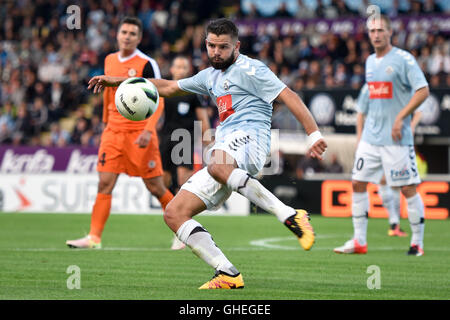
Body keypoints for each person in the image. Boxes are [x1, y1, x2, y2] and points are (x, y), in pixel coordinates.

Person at [88, 18, 327, 289]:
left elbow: (289, 95)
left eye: (222, 47)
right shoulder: (209, 76)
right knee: (174, 213)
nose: (216, 52)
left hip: (252, 138)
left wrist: (314, 134)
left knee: (216, 162)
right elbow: (166, 87)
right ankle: (227, 273)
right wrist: (118, 81)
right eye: (211, 46)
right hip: (227, 147)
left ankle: (289, 214)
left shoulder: (251, 69)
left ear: (236, 46)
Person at [66, 17, 174, 249]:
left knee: (156, 187)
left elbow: (159, 99)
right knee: (104, 183)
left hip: (139, 133)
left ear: (139, 38)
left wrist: (148, 130)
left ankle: (184, 229)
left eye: (132, 33)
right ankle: (94, 238)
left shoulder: (147, 63)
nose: (127, 36)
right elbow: (108, 94)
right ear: (117, 34)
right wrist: (106, 125)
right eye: (123, 31)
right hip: (113, 131)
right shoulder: (109, 59)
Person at [334, 15, 429, 256]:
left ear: (389, 32)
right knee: (357, 183)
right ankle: (359, 241)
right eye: (372, 30)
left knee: (408, 189)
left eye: (380, 30)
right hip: (370, 139)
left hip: (396, 140)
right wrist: (360, 139)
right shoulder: (369, 62)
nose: (376, 34)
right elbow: (370, 104)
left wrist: (401, 118)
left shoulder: (403, 59)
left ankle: (417, 243)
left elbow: (423, 91)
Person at [355, 84, 425, 237]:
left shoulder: (403, 84)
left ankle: (412, 237)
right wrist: (360, 139)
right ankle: (394, 223)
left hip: (397, 142)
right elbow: (360, 113)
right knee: (378, 181)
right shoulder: (369, 86)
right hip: (373, 143)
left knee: (403, 187)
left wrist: (411, 126)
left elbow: (419, 109)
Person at [159, 56, 211, 250]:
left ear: (188, 70)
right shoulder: (164, 90)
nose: (180, 69)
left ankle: (183, 230)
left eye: (184, 66)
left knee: (182, 182)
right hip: (165, 139)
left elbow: (203, 118)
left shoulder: (192, 92)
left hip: (184, 139)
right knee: (164, 184)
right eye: (177, 66)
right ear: (172, 69)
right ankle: (178, 224)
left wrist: (207, 140)